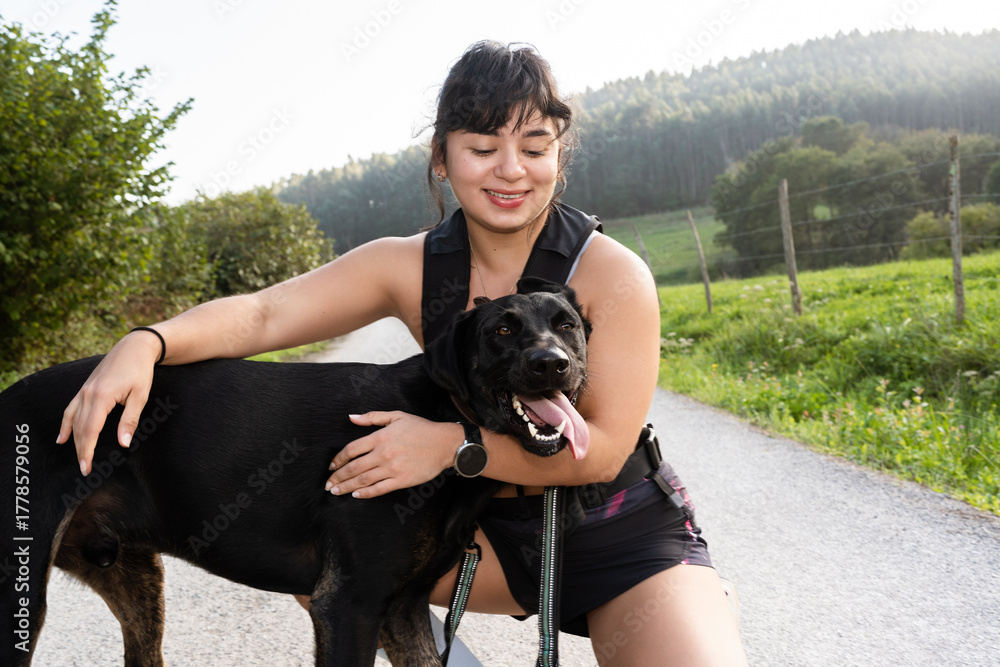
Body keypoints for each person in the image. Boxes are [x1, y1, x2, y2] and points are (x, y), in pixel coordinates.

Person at [58, 41, 747, 666]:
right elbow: (265, 313)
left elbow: (597, 452)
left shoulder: (612, 273)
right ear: (441, 158)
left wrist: (452, 447)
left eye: (535, 147)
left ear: (559, 159)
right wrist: (146, 342)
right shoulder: (406, 265)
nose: (511, 169)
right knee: (326, 549)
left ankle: (693, 603)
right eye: (483, 147)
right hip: (482, 536)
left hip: (621, 531)